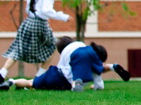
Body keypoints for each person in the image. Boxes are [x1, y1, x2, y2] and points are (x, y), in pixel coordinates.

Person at [0, 0, 71, 84]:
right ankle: (38, 78)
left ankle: (2, 73)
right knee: (53, 46)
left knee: (18, 50)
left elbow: (28, 10)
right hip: (40, 24)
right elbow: (46, 10)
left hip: (28, 23)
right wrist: (62, 16)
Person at [1, 36, 131, 91]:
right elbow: (97, 68)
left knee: (31, 83)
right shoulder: (82, 46)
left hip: (57, 76)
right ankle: (112, 67)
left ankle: (12, 81)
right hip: (72, 75)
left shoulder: (66, 54)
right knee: (96, 70)